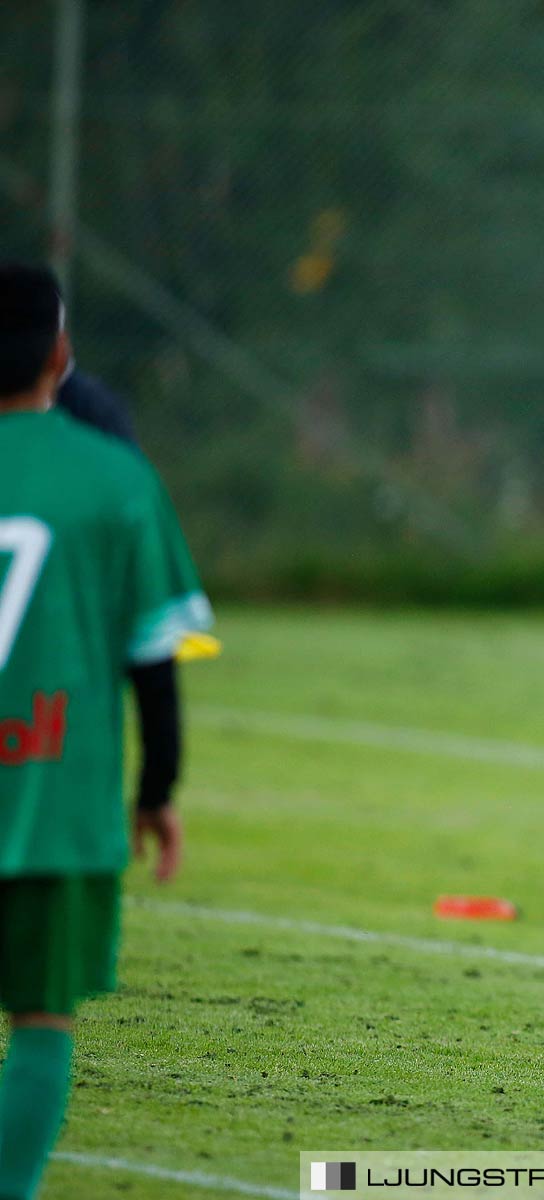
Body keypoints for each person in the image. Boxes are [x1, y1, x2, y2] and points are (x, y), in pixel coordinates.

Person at [0, 263, 211, 1198]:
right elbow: (155, 658)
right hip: (55, 792)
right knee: (42, 1022)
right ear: (59, 353)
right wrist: (157, 789)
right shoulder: (115, 479)